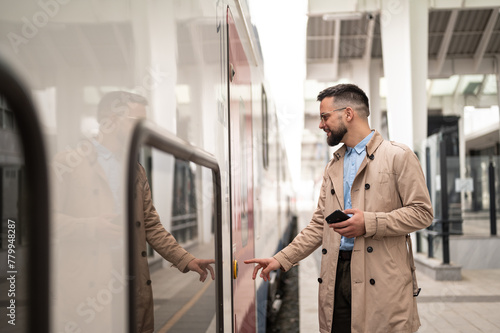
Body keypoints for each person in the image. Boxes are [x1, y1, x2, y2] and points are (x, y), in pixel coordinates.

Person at [245, 84, 433, 333]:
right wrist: (281, 259)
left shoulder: (398, 156)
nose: (321, 125)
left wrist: (369, 223)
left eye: (325, 117)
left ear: (348, 114)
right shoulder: (333, 167)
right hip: (337, 275)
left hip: (383, 280)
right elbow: (319, 226)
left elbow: (422, 212)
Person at [53, 91, 214, 333]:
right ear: (111, 119)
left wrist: (186, 259)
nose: (144, 130)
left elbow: (151, 225)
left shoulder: (136, 170)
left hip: (129, 281)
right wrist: (91, 227)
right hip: (86, 287)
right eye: (137, 121)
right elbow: (41, 220)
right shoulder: (68, 162)